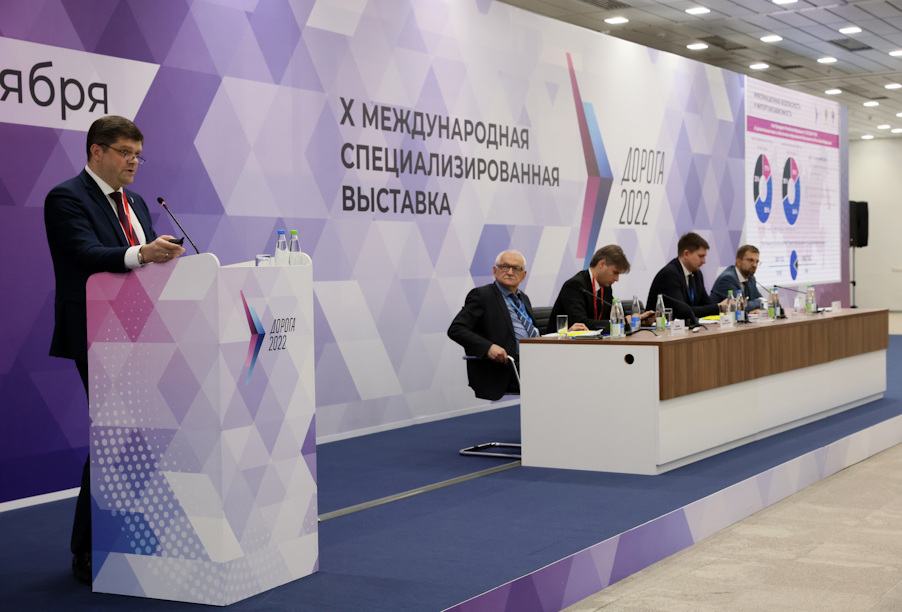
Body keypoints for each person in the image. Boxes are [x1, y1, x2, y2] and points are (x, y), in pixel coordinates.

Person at [44, 115, 186, 584]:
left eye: (138, 155)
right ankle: (88, 549)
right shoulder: (67, 198)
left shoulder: (137, 203)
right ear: (96, 151)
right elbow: (85, 254)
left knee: (135, 435)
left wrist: (161, 258)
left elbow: (144, 268)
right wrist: (144, 253)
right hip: (96, 331)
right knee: (113, 436)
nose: (133, 162)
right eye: (125, 152)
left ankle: (133, 533)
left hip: (143, 330)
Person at [448, 250, 582, 400]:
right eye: (505, 267)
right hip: (508, 367)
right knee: (564, 380)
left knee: (577, 370)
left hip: (535, 359)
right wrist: (488, 347)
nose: (510, 272)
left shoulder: (523, 298)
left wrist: (563, 333)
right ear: (495, 271)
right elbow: (456, 329)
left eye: (516, 268)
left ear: (523, 275)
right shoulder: (482, 295)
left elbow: (533, 335)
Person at [546, 245, 653, 334]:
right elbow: (581, 323)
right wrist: (623, 322)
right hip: (561, 346)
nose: (617, 279)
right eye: (615, 272)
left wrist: (639, 321)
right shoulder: (575, 286)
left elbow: (615, 315)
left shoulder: (605, 287)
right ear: (602, 264)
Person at [646, 232, 726, 322]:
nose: (704, 261)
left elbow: (706, 303)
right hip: (661, 328)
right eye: (701, 256)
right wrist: (718, 307)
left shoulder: (697, 274)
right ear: (686, 254)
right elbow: (682, 312)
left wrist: (722, 306)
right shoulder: (669, 274)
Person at [711, 244, 764, 311]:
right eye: (750, 260)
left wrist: (758, 309)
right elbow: (738, 306)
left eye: (757, 262)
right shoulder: (727, 278)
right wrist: (760, 302)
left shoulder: (751, 278)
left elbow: (759, 300)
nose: (754, 265)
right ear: (738, 262)